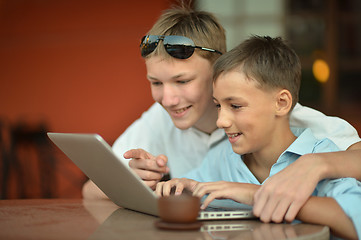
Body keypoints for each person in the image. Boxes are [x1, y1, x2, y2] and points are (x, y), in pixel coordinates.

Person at [82, 6, 361, 223]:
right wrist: (131, 179)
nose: (167, 99)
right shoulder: (160, 118)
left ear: (219, 69)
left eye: (182, 81)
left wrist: (315, 165)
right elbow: (89, 191)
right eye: (156, 83)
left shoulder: (284, 117)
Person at [155, 36, 360, 239]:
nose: (221, 121)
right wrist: (175, 187)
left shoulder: (323, 154)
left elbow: (355, 222)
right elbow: (191, 189)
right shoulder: (220, 156)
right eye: (218, 105)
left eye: (235, 106)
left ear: (281, 103)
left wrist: (256, 195)